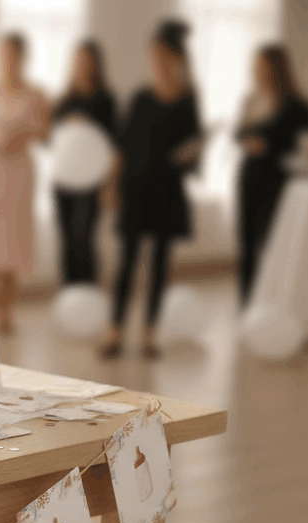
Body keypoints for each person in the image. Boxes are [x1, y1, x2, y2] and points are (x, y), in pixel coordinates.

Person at [101, 20, 202, 360]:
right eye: (153, 56)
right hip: (135, 189)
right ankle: (115, 331)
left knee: (160, 264)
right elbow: (122, 147)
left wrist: (192, 154)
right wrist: (111, 185)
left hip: (167, 191)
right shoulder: (140, 98)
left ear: (176, 59)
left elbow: (193, 152)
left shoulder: (188, 101)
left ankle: (149, 335)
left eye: (163, 56)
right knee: (126, 262)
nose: (157, 62)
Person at [0, 33, 49, 333]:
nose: (7, 61)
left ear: (22, 57)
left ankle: (6, 310)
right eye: (3, 55)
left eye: (13, 55)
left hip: (19, 170)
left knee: (13, 239)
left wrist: (20, 135)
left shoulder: (35, 94)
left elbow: (44, 132)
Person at [235, 45, 308, 306]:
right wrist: (250, 141)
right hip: (249, 176)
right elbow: (238, 133)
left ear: (276, 68)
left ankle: (270, 302)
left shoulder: (296, 104)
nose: (256, 71)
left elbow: (302, 140)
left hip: (277, 181)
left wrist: (266, 145)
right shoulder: (252, 99)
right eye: (255, 66)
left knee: (270, 242)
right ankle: (247, 305)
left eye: (262, 66)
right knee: (246, 243)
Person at [52, 41, 116, 286]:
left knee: (84, 239)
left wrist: (109, 185)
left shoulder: (106, 100)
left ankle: (88, 292)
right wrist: (70, 123)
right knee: (66, 240)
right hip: (64, 180)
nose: (81, 65)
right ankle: (69, 294)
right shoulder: (64, 100)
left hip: (92, 181)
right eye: (77, 60)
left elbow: (114, 146)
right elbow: (53, 140)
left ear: (96, 64)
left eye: (87, 60)